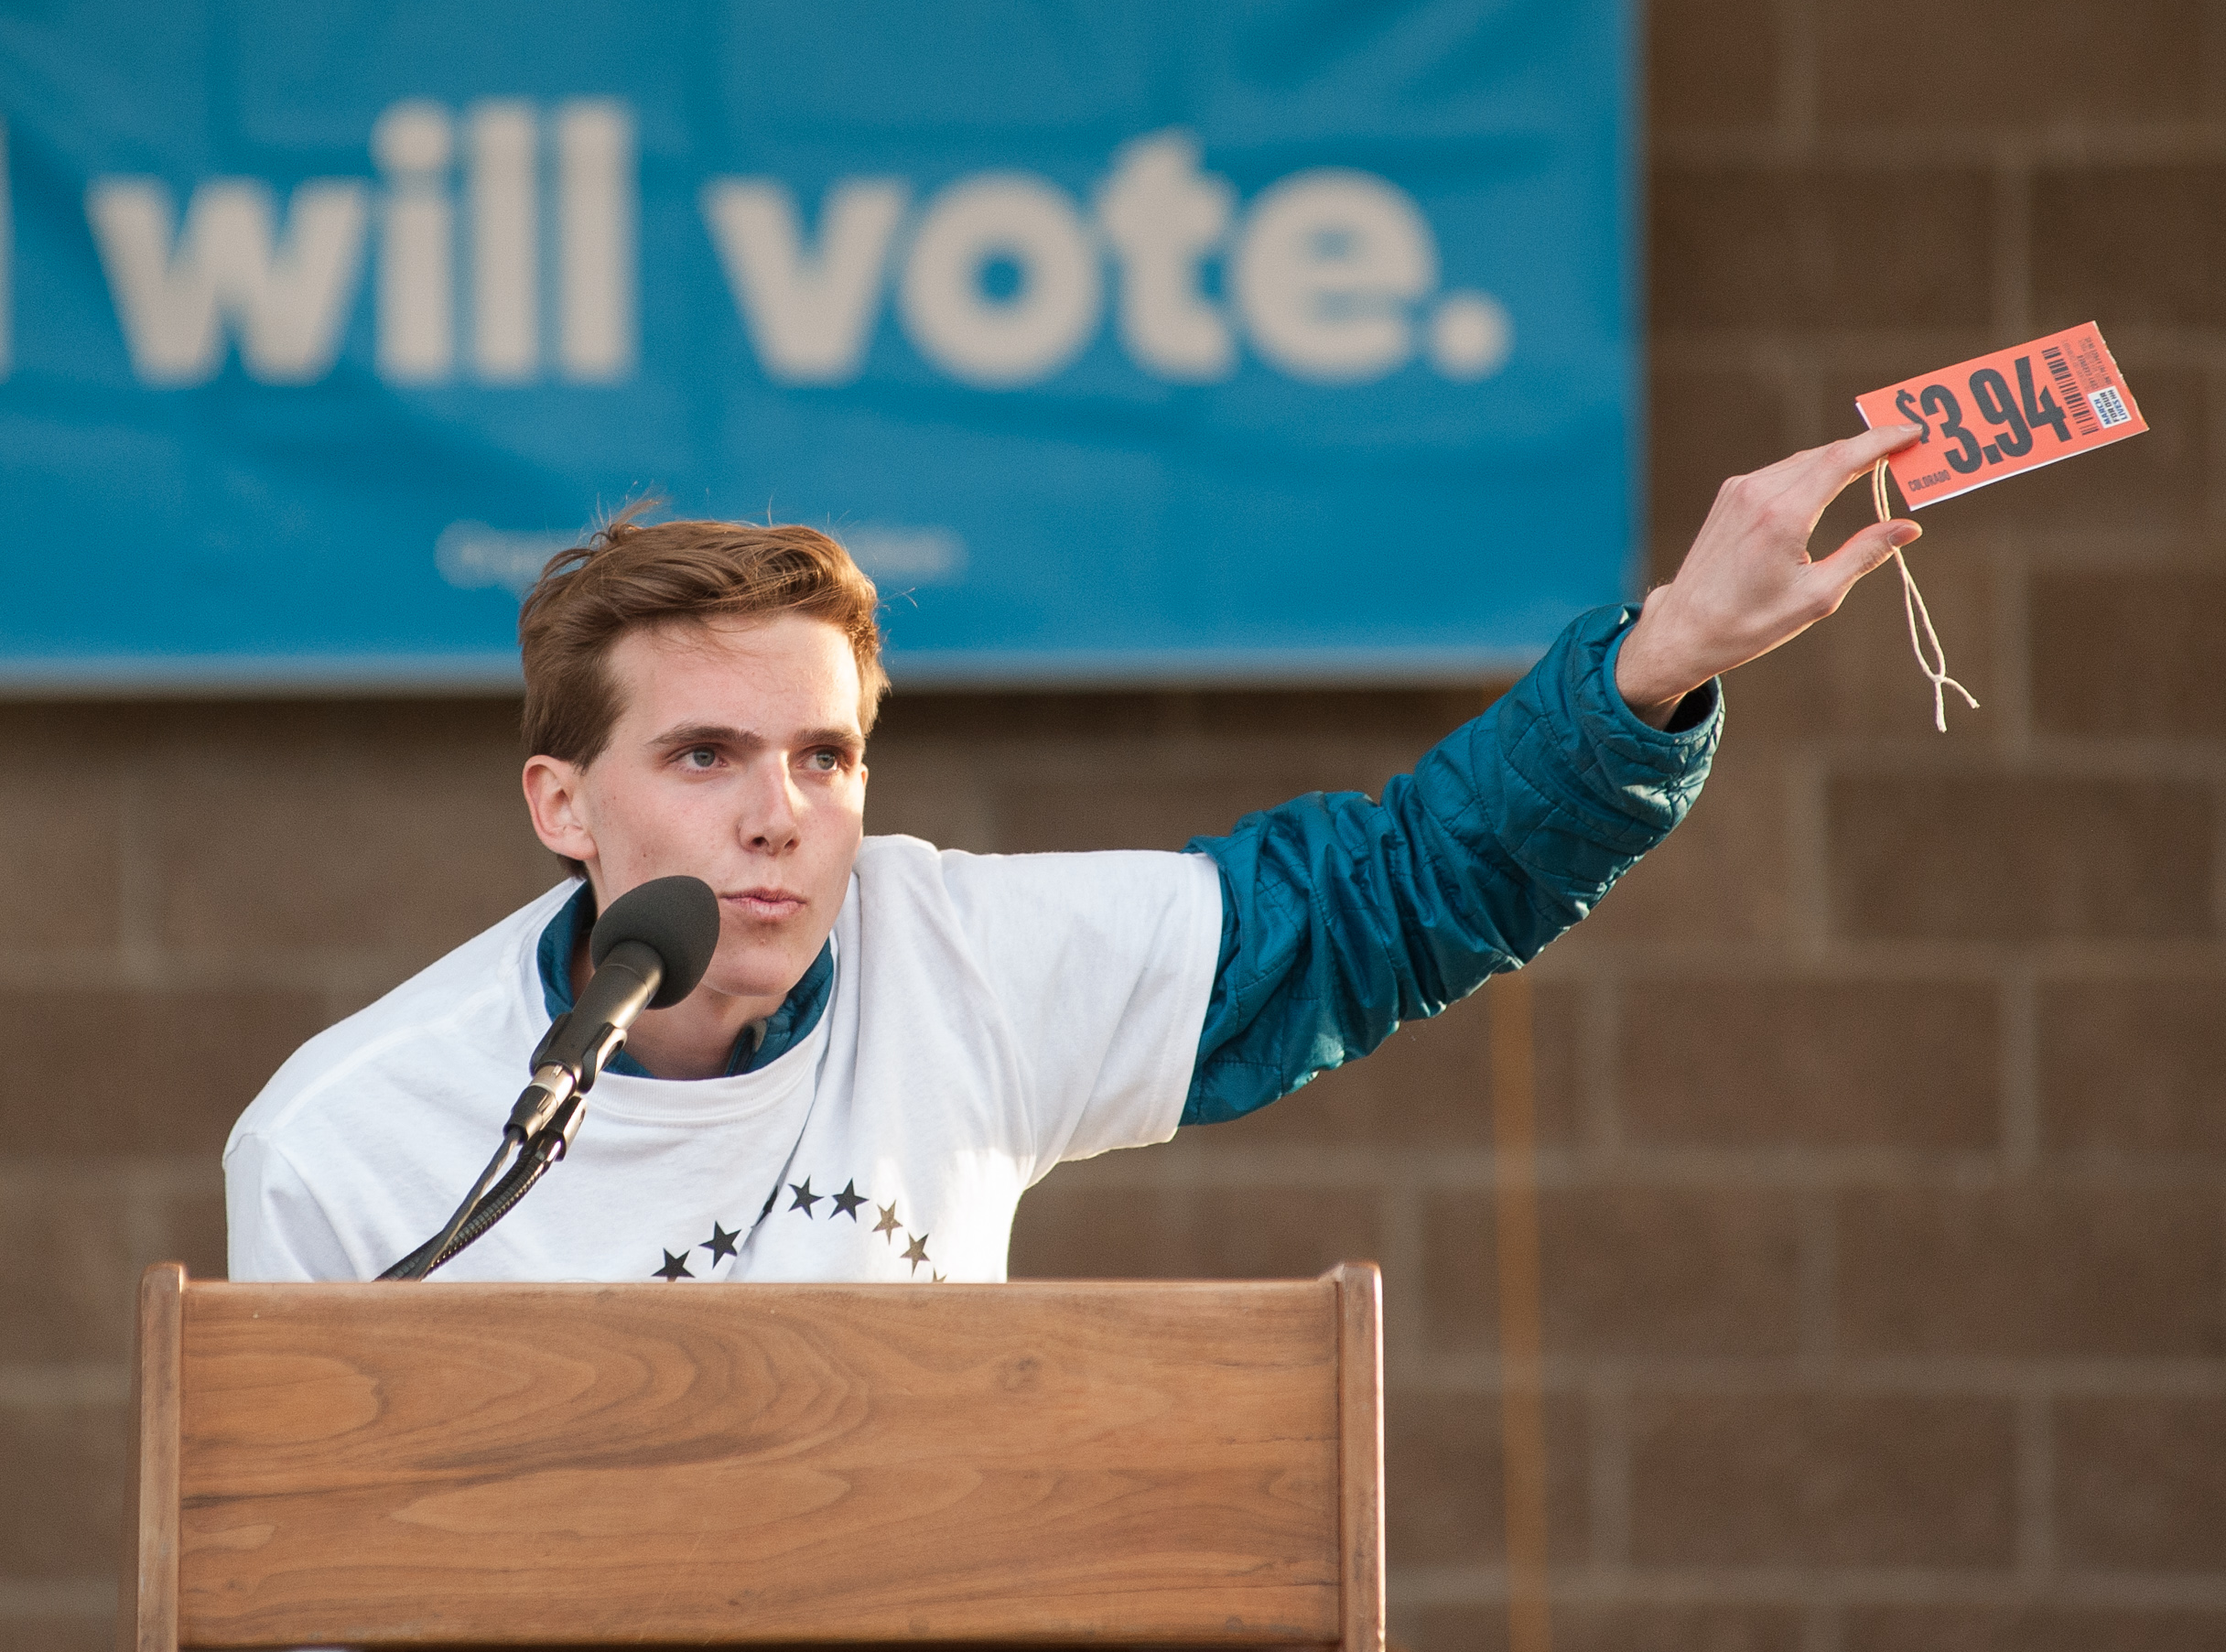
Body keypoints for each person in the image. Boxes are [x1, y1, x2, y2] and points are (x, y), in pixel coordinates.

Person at [224, 426, 1926, 1283]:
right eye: (702, 756)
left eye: (827, 755)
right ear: (561, 805)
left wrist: (1664, 658)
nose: (781, 815)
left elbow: (1385, 899)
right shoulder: (344, 1140)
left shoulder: (956, 951)